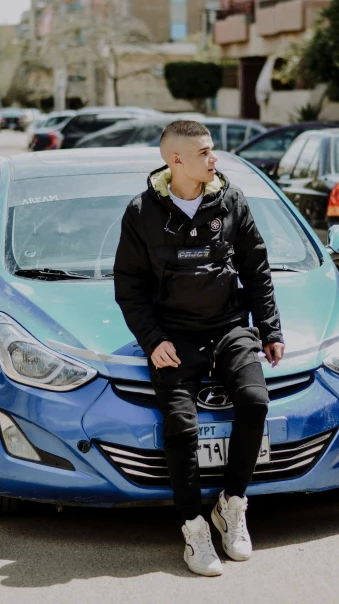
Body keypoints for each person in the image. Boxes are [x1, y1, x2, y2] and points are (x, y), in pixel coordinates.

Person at [114, 120, 285, 577]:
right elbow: (129, 287)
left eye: (213, 151)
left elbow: (257, 269)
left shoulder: (230, 200)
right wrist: (153, 341)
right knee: (181, 426)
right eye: (206, 152)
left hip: (230, 327)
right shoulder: (142, 212)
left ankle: (231, 506)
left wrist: (270, 330)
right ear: (176, 161)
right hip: (174, 336)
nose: (215, 159)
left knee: (254, 401)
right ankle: (193, 526)